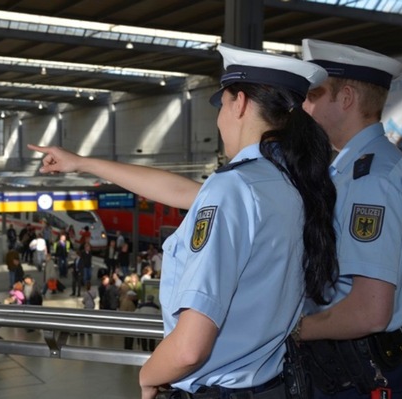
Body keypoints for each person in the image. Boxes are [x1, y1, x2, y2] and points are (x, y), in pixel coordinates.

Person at [29, 42, 338, 399]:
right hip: (273, 385)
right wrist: (82, 163)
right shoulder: (288, 183)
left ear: (238, 104)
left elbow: (191, 348)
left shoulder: (235, 188)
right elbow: (180, 191)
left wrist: (149, 375)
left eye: (221, 105)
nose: (220, 119)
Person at [295, 39, 402, 398]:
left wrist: (290, 329)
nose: (303, 107)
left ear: (346, 98)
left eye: (313, 96)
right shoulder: (352, 168)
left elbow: (369, 311)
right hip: (348, 367)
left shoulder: (371, 180)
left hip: (357, 373)